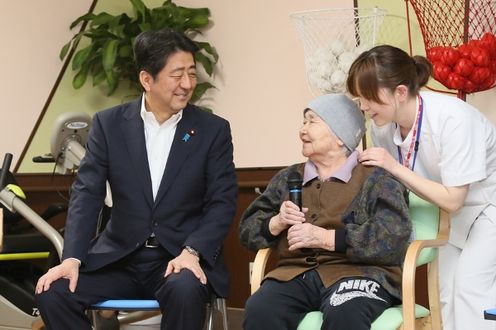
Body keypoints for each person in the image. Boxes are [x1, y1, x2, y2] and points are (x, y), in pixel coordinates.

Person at [35, 29, 238, 330]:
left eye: (192, 74)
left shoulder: (212, 130)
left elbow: (222, 201)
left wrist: (192, 252)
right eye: (177, 74)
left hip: (178, 259)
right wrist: (72, 258)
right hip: (119, 259)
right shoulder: (109, 124)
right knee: (53, 292)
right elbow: (87, 194)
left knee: (185, 289)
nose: (187, 84)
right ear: (147, 79)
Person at [348, 44, 496, 330]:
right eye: (359, 99)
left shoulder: (453, 119)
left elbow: (454, 198)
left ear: (400, 92)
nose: (364, 107)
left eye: (368, 97)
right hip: (449, 215)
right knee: (445, 294)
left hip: (488, 207)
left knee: (470, 290)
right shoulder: (383, 128)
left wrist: (393, 166)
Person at [239, 93, 412, 330]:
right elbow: (246, 231)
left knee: (345, 311)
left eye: (312, 121)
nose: (302, 130)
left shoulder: (376, 179)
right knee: (260, 309)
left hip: (360, 275)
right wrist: (277, 221)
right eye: (303, 122)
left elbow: (393, 237)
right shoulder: (289, 178)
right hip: (293, 275)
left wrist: (326, 238)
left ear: (340, 137)